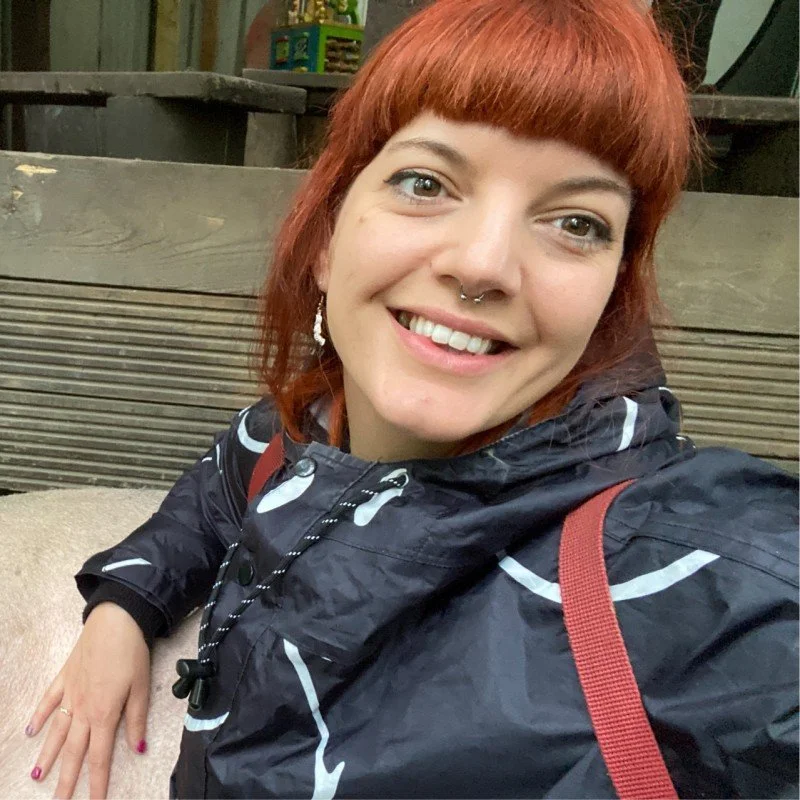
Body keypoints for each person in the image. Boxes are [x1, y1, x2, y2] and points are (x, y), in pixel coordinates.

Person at [23, 0, 798, 797]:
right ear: (326, 237)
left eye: (576, 222)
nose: (484, 263)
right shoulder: (300, 433)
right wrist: (123, 607)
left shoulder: (699, 573)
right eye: (425, 182)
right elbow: (214, 491)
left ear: (610, 296)